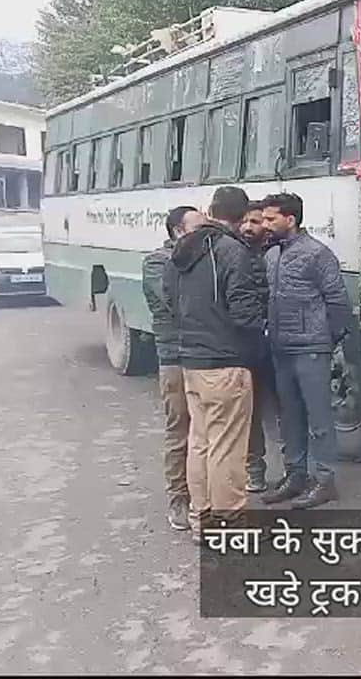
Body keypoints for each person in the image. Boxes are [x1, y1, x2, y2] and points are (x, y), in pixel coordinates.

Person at [163, 187, 265, 543]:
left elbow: (172, 304)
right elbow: (245, 314)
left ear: (211, 210)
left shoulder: (181, 252)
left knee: (200, 443)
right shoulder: (231, 251)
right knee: (227, 448)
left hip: (190, 361)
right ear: (239, 217)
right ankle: (230, 525)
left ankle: (200, 520)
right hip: (225, 363)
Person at [260, 192, 351, 509]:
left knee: (319, 418)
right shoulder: (272, 255)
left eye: (272, 218)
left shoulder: (317, 254)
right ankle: (295, 476)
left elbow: (338, 301)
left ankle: (325, 481)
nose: (265, 224)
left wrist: (329, 338)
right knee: (290, 417)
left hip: (312, 348)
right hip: (280, 348)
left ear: (291, 219)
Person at [141, 205, 202, 532]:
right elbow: (176, 304)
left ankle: (203, 496)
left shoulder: (202, 260)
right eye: (196, 227)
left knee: (204, 433)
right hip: (176, 358)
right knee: (180, 428)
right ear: (177, 231)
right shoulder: (157, 262)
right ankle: (179, 498)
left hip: (205, 356)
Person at [238, 200, 280, 494]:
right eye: (245, 222)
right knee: (250, 413)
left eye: (256, 222)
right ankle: (255, 470)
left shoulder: (280, 253)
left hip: (279, 344)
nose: (249, 228)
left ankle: (297, 471)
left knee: (287, 409)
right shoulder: (234, 255)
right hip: (249, 346)